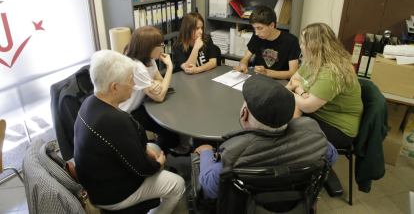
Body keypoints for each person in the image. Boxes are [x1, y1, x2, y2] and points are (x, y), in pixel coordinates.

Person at [74, 50, 185, 213]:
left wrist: (146, 149)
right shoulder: (116, 122)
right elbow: (142, 169)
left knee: (155, 148)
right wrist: (158, 164)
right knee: (178, 184)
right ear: (114, 87)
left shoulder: (89, 103)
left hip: (96, 182)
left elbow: (121, 146)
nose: (134, 85)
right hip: (112, 195)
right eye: (130, 81)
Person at [195, 74, 338, 200]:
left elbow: (209, 189)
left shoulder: (233, 152)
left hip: (249, 206)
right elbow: (332, 157)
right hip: (295, 203)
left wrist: (206, 152)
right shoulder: (312, 134)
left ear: (244, 115)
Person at [286, 23, 363, 148]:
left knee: (283, 133)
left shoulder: (332, 72)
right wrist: (302, 93)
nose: (301, 46)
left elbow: (307, 106)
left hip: (337, 127)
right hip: (316, 114)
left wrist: (287, 92)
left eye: (304, 43)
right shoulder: (314, 60)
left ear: (315, 46)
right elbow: (294, 79)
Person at [120, 26, 190, 156]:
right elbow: (159, 97)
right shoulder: (137, 67)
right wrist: (169, 67)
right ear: (149, 46)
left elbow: (159, 79)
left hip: (138, 105)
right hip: (126, 113)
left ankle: (173, 147)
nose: (163, 46)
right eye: (160, 44)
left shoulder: (149, 59)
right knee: (165, 123)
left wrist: (157, 84)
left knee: (169, 116)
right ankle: (159, 155)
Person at [233, 5, 300, 79]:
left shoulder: (291, 41)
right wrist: (243, 64)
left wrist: (267, 72)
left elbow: (293, 72)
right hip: (260, 78)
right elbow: (245, 58)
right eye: (254, 28)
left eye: (260, 28)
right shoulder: (257, 37)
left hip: (280, 81)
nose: (256, 33)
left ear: (272, 25)